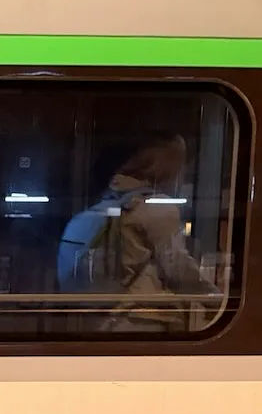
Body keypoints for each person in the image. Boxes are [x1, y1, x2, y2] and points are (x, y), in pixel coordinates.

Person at [85, 135, 218, 333]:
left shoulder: (110, 199)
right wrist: (215, 300)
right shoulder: (157, 207)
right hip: (142, 318)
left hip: (104, 317)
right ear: (169, 170)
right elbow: (177, 267)